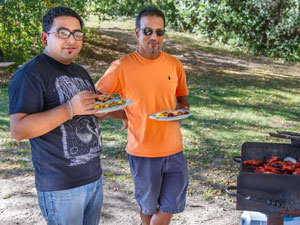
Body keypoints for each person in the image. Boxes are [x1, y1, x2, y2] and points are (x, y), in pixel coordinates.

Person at [95, 6, 190, 225]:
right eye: (147, 31)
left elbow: (182, 100)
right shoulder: (121, 66)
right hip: (142, 150)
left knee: (168, 208)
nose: (153, 37)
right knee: (147, 209)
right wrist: (124, 114)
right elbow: (98, 102)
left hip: (174, 149)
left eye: (159, 32)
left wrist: (182, 111)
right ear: (137, 33)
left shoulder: (174, 64)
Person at [9, 6, 104, 225]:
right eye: (62, 33)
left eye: (77, 34)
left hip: (93, 178)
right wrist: (69, 108)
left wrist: (102, 111)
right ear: (45, 37)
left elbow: (84, 119)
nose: (71, 39)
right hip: (61, 187)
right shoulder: (30, 74)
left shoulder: (80, 72)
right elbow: (18, 130)